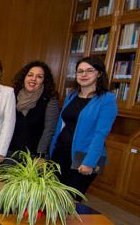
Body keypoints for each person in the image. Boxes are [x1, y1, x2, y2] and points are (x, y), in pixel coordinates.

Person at [49, 56, 117, 196]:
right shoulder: (72, 96)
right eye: (80, 71)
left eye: (89, 71)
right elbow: (61, 125)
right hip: (61, 152)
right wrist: (51, 151)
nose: (83, 75)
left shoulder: (107, 99)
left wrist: (89, 162)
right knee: (52, 197)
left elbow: (100, 134)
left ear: (99, 73)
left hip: (84, 157)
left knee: (69, 200)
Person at [8, 61, 59, 157]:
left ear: (44, 80)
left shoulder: (50, 100)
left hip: (35, 156)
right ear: (24, 77)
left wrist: (40, 154)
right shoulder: (12, 95)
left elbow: (49, 130)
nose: (33, 79)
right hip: (10, 153)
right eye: (30, 75)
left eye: (39, 77)